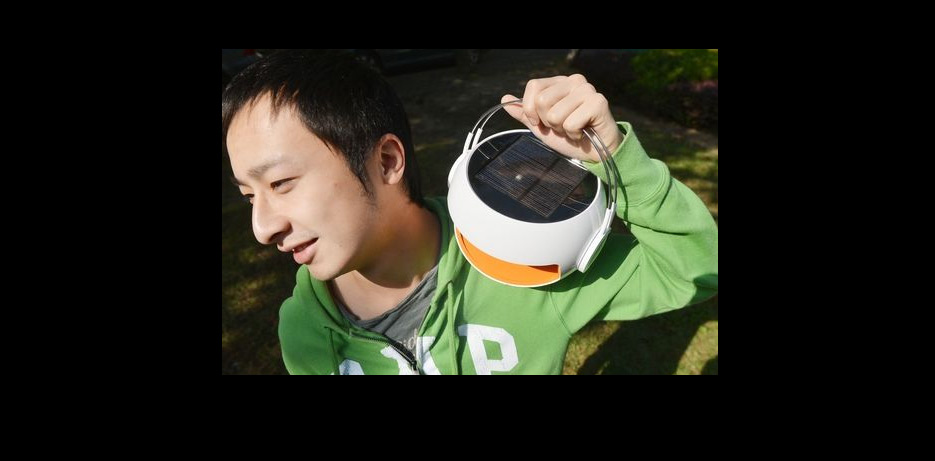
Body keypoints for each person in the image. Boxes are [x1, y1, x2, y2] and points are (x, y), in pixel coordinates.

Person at [222, 50, 718, 375]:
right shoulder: (304, 331)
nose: (262, 228)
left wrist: (618, 160)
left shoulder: (524, 260)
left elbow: (696, 268)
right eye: (248, 195)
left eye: (280, 183)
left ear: (387, 161)